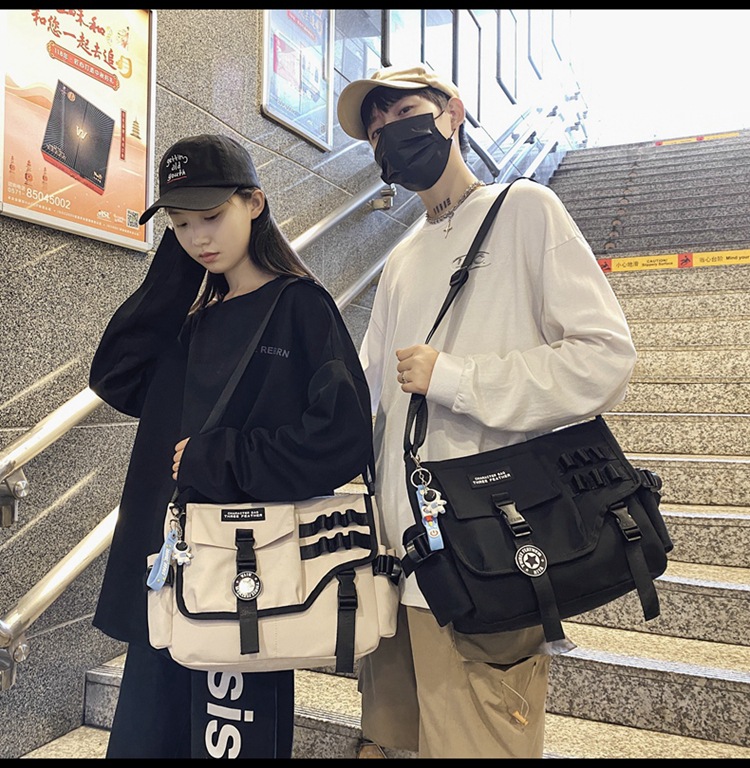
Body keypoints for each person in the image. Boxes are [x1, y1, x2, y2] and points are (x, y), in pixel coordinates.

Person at [336, 65, 638, 759]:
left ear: (452, 112)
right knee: (386, 742)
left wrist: (456, 378)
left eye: (403, 113)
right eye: (375, 130)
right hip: (401, 556)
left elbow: (605, 359)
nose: (389, 134)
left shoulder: (526, 209)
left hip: (489, 552)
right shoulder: (401, 261)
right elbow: (363, 395)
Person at [88, 133, 374, 759]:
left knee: (229, 744)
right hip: (169, 571)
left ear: (255, 203)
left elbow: (344, 438)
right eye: (180, 224)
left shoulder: (300, 308)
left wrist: (222, 458)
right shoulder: (196, 319)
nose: (198, 237)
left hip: (246, 574)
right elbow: (115, 376)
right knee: (147, 741)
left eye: (212, 216)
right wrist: (177, 272)